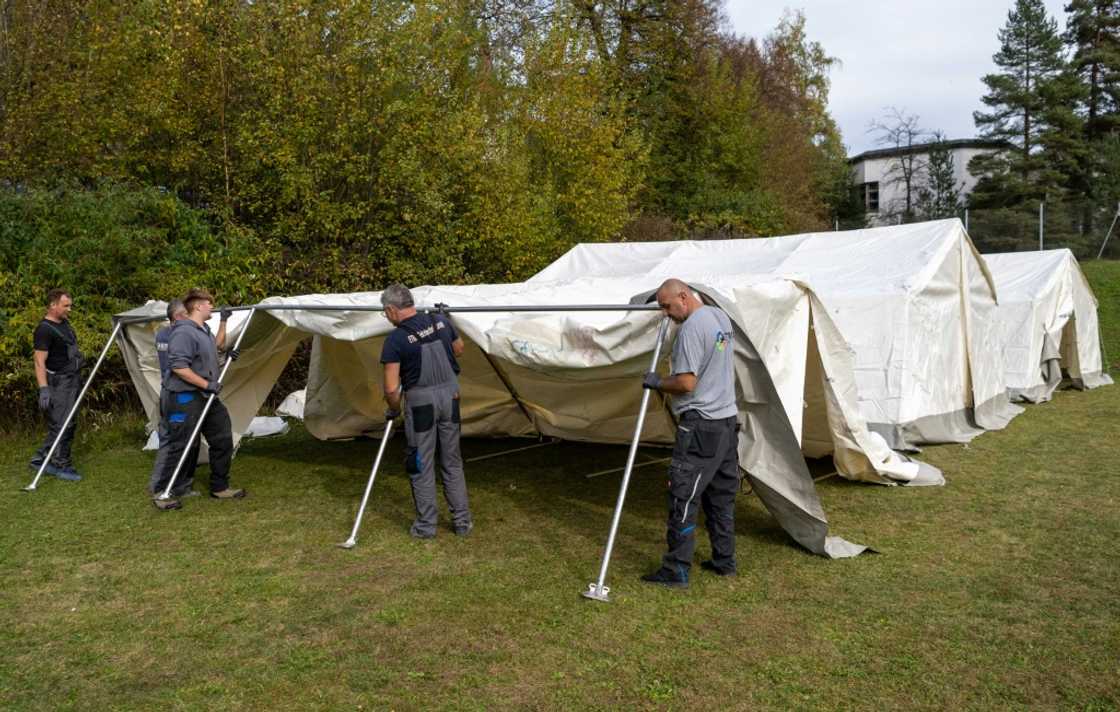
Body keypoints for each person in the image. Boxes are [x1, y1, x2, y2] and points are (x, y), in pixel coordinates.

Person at [639, 278, 740, 588]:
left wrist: (657, 382)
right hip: (726, 421)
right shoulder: (718, 316)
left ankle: (676, 570)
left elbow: (685, 383)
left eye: (668, 306)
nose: (667, 314)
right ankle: (724, 561)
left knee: (683, 495)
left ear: (683, 296)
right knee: (721, 496)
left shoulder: (691, 329)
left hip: (701, 424)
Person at [380, 284, 473, 538]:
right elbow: (459, 349)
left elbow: (391, 389)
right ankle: (462, 522)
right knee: (452, 461)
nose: (386, 317)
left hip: (421, 405)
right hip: (451, 398)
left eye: (384, 313)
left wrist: (393, 410)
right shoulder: (439, 320)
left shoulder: (396, 339)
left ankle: (426, 526)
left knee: (420, 463)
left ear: (391, 309)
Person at [152, 288, 243, 510]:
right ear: (198, 306)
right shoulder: (183, 332)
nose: (212, 306)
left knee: (222, 438)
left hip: (206, 397)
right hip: (184, 397)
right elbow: (179, 367)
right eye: (209, 303)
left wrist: (225, 355)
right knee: (180, 445)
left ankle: (219, 487)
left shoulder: (203, 331)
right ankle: (163, 493)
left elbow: (213, 352)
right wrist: (207, 385)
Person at [29, 288, 85, 482]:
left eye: (70, 305)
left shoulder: (64, 323)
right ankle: (61, 464)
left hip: (72, 380)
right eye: (65, 305)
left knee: (65, 423)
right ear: (53, 305)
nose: (69, 309)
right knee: (63, 424)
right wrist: (44, 389)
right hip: (59, 383)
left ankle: (40, 458)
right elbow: (39, 361)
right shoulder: (44, 330)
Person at [147, 299, 199, 497]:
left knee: (168, 440)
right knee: (183, 441)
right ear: (178, 316)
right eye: (187, 315)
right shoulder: (179, 335)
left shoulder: (162, 333)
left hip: (166, 392)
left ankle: (158, 483)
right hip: (181, 395)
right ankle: (177, 486)